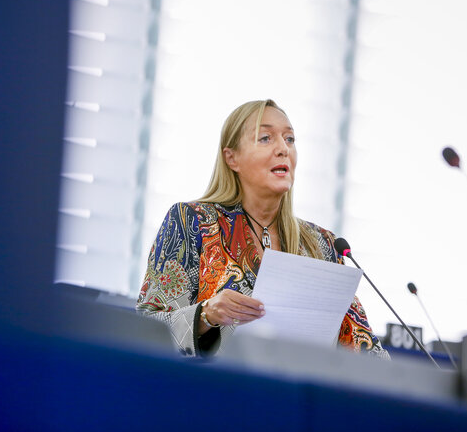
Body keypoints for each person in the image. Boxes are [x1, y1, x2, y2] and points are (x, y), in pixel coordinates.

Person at [136, 99, 388, 359]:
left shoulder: (323, 244)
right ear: (232, 158)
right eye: (266, 138)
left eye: (290, 139)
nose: (283, 149)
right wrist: (206, 314)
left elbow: (363, 347)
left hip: (293, 396)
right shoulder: (192, 221)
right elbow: (146, 329)